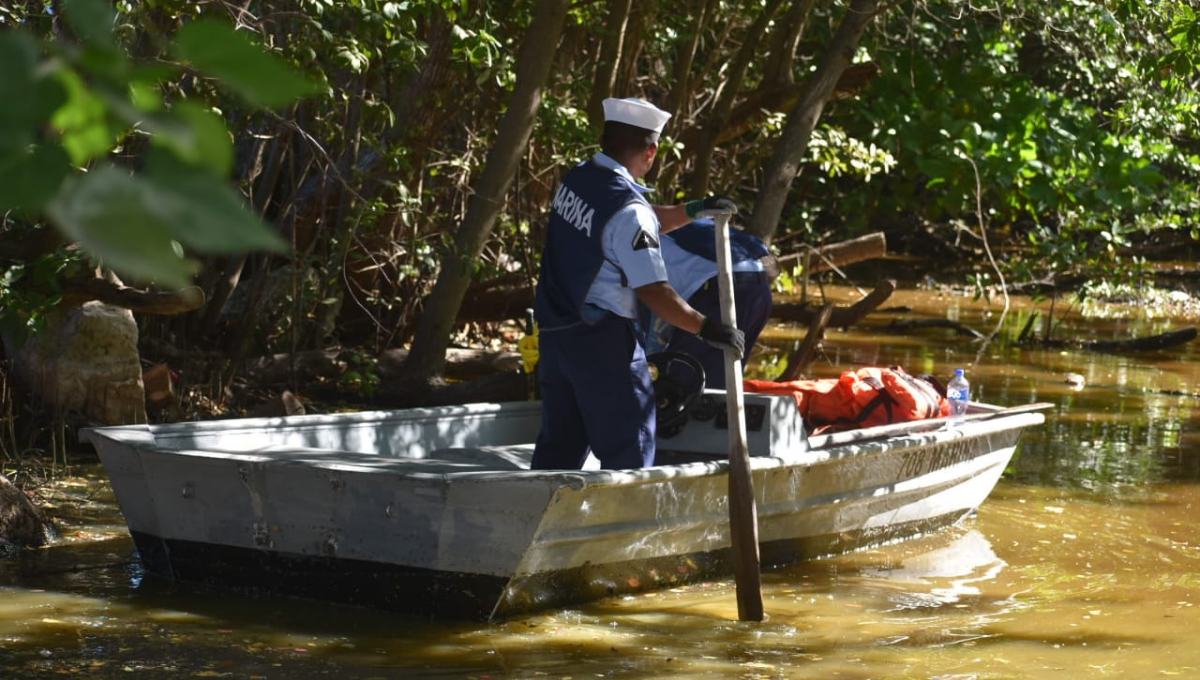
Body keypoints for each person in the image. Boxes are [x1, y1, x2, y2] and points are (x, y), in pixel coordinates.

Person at [531, 97, 744, 470]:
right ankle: (626, 527)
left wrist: (692, 210)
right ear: (652, 150)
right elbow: (653, 290)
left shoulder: (580, 179)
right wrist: (707, 328)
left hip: (555, 335)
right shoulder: (629, 211)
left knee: (559, 450)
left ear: (606, 139)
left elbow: (624, 224)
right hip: (604, 346)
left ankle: (535, 520)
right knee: (630, 453)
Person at [645, 218, 775, 388]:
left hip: (720, 286)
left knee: (681, 383)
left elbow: (651, 300)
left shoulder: (626, 241)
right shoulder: (658, 220)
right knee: (721, 386)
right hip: (759, 288)